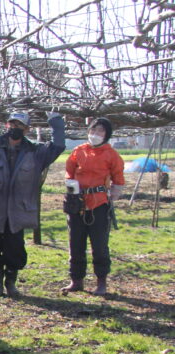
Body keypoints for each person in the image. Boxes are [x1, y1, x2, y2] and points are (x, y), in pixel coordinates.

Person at [0, 111, 65, 297]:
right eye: (12, 124)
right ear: (7, 125)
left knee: (14, 248)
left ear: (27, 129)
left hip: (18, 210)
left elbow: (58, 146)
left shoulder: (35, 152)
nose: (14, 128)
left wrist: (56, 123)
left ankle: (11, 282)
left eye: (19, 126)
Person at [61, 118, 124, 296]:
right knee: (76, 242)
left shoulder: (111, 154)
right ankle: (76, 280)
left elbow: (118, 178)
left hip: (99, 203)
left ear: (107, 135)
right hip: (77, 202)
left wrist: (114, 195)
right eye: (93, 130)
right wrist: (70, 187)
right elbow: (69, 170)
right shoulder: (78, 151)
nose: (96, 134)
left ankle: (101, 282)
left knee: (99, 244)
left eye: (101, 131)